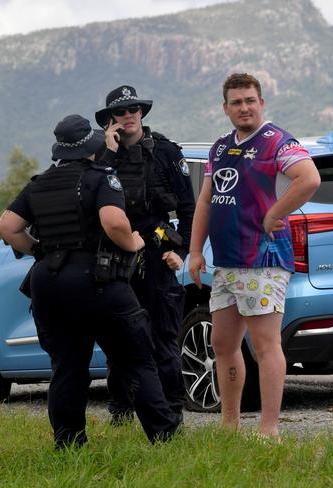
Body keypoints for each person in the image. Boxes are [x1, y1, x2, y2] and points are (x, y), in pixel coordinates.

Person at [0, 114, 179, 448]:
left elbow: (7, 227)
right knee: (136, 359)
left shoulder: (39, 183)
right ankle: (165, 438)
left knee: (67, 366)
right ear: (92, 147)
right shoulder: (100, 177)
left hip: (48, 285)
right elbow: (113, 221)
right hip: (99, 281)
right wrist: (135, 242)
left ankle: (68, 444)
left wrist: (39, 249)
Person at [188, 73, 321, 438]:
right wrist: (196, 251)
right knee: (223, 345)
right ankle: (229, 428)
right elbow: (206, 200)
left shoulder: (277, 141)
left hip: (263, 261)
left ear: (261, 102)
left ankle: (269, 431)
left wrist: (275, 214)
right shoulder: (218, 148)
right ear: (225, 107)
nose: (244, 107)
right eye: (236, 102)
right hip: (226, 262)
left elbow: (308, 179)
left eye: (250, 100)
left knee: (265, 345)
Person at [94, 85, 196, 425]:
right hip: (115, 258)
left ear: (142, 113)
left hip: (156, 254)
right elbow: (90, 200)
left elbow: (189, 208)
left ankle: (171, 413)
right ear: (111, 120)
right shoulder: (101, 157)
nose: (129, 116)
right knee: (117, 337)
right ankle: (121, 410)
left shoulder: (166, 152)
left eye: (134, 109)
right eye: (121, 112)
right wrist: (108, 153)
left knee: (163, 337)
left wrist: (181, 250)